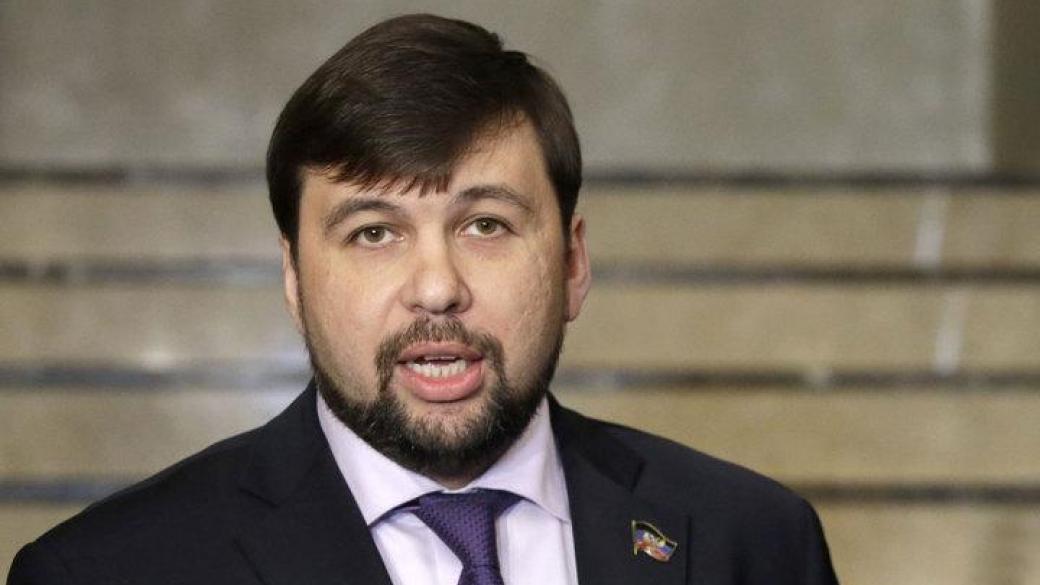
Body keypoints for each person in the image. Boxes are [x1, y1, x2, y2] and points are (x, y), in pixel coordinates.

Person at [8, 14, 838, 585]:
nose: (438, 287)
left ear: (572, 263)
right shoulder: (105, 570)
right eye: (374, 232)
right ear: (294, 277)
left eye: (486, 224)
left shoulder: (755, 541)